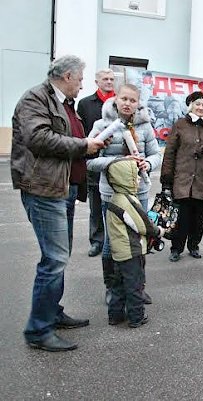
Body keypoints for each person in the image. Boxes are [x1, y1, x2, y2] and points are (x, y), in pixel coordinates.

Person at [11, 55, 106, 351]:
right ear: (67, 76)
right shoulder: (35, 99)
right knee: (53, 260)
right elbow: (39, 138)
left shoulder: (64, 104)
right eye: (79, 80)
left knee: (58, 258)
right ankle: (38, 331)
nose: (81, 85)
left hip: (62, 188)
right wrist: (83, 145)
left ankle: (52, 312)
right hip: (43, 189)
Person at [87, 84, 162, 306]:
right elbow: (89, 161)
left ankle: (137, 288)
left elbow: (156, 154)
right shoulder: (101, 125)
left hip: (139, 192)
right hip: (111, 194)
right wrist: (119, 164)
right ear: (116, 99)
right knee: (112, 243)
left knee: (140, 240)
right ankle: (113, 289)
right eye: (124, 99)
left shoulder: (146, 127)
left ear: (138, 103)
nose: (128, 104)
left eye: (132, 100)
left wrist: (147, 164)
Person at [160, 91, 203, 262]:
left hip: (202, 181)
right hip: (182, 180)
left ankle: (194, 245)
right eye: (197, 104)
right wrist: (166, 180)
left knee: (199, 217)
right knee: (181, 217)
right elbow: (170, 153)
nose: (201, 107)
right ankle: (176, 248)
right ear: (191, 105)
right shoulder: (180, 125)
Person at [105, 159, 164, 328]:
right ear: (125, 179)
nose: (139, 179)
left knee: (118, 285)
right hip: (131, 251)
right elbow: (143, 224)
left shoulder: (115, 198)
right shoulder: (127, 201)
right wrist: (159, 231)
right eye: (135, 176)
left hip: (119, 252)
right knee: (134, 285)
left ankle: (115, 315)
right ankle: (136, 317)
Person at [77, 68, 116, 257]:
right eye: (105, 79)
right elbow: (80, 133)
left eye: (111, 79)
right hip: (94, 163)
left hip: (117, 164)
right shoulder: (85, 104)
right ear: (97, 82)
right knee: (96, 206)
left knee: (117, 206)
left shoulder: (121, 103)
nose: (109, 82)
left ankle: (115, 240)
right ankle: (97, 241)